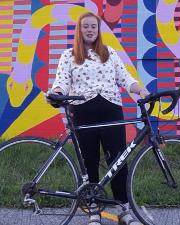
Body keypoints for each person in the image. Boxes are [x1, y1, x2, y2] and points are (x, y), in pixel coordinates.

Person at [46, 11, 149, 225]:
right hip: (83, 111)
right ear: (79, 30)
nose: (90, 30)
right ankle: (93, 208)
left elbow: (125, 78)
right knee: (89, 160)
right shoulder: (69, 55)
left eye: (94, 26)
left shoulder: (110, 53)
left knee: (118, 160)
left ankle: (123, 209)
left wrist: (142, 91)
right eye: (86, 26)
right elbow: (62, 82)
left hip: (111, 110)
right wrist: (56, 91)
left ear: (98, 30)